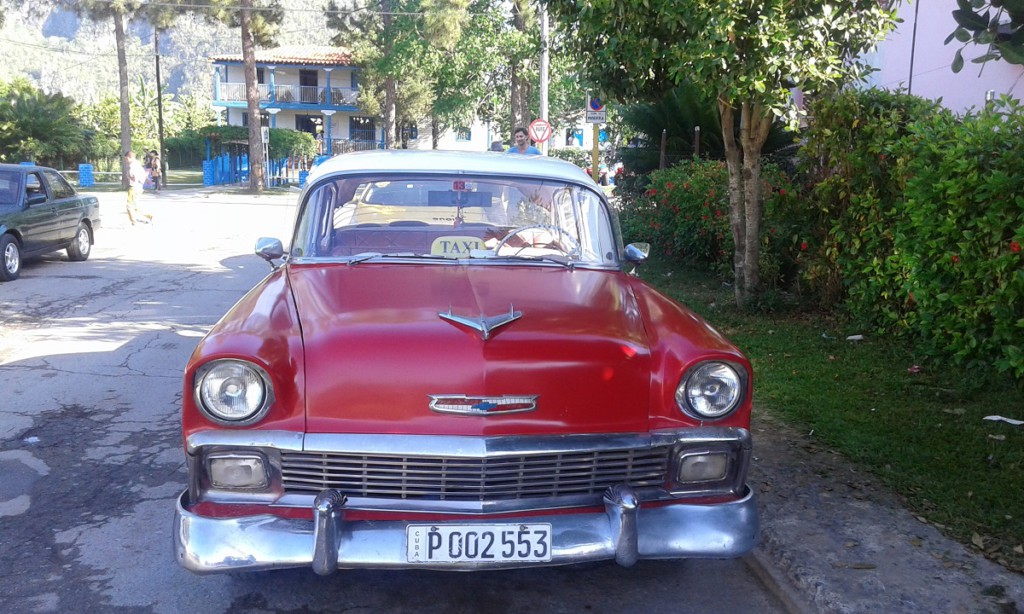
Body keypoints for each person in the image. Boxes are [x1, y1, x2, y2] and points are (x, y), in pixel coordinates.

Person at [124, 151, 151, 225]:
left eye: (127, 159)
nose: (126, 161)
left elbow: (134, 178)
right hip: (139, 186)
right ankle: (148, 216)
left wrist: (129, 177)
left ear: (131, 157)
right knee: (136, 206)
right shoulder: (138, 165)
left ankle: (134, 222)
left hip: (134, 187)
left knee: (129, 205)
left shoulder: (133, 166)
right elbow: (144, 175)